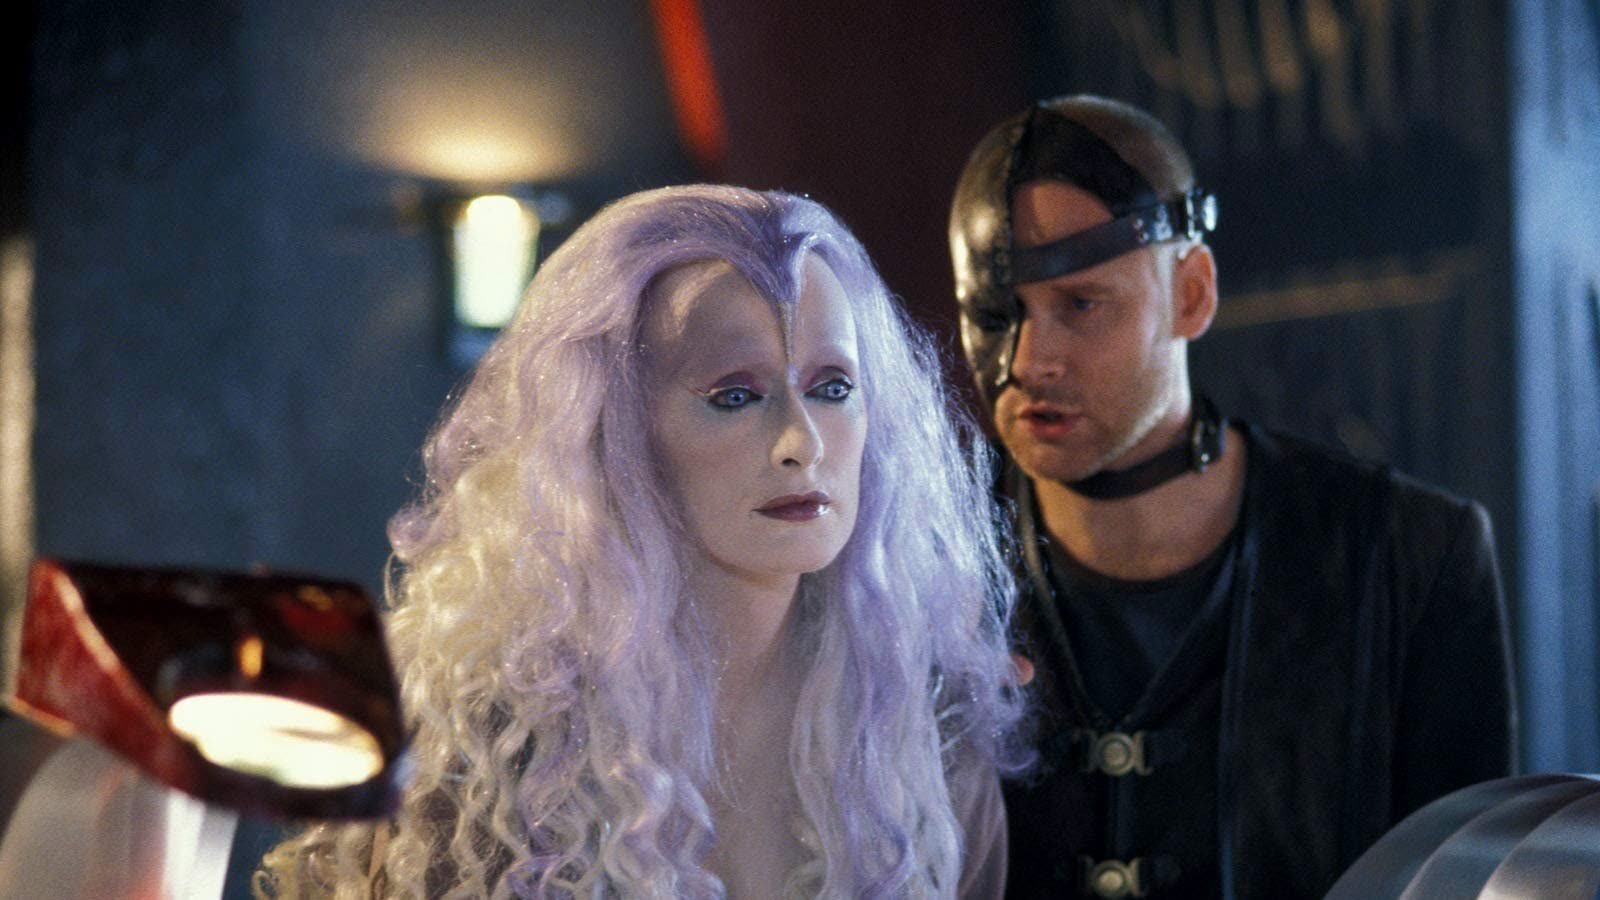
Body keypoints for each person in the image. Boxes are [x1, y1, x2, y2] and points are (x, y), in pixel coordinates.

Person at [257, 184, 1027, 898]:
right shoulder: (483, 745)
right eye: (735, 395)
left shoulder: (922, 734)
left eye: (832, 388)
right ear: (615, 432)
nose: (802, 442)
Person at [947, 95, 1516, 899]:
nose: (1032, 360)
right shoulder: (918, 567)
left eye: (1081, 304)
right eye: (996, 313)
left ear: (1190, 295)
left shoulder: (1407, 560)